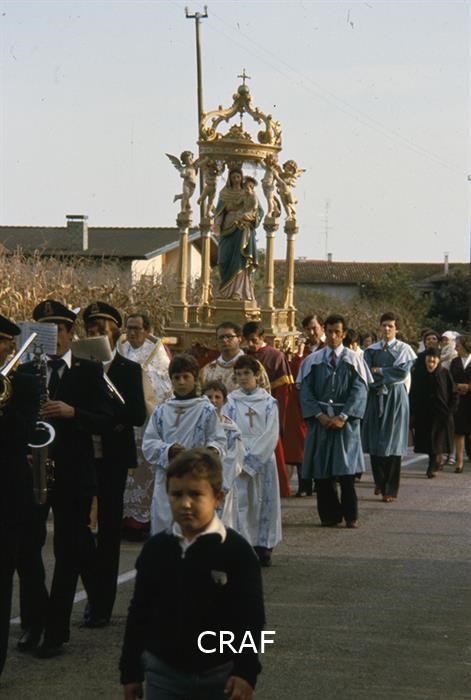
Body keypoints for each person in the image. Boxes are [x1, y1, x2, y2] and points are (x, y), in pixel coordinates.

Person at [119, 448, 265, 700]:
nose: (185, 504)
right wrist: (130, 671)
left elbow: (251, 619)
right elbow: (139, 612)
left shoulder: (236, 552)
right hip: (164, 673)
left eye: (196, 494)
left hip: (221, 674)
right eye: (177, 494)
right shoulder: (157, 549)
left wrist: (245, 672)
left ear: (217, 497)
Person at [16, 300, 112, 658]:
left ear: (72, 334)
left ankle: (55, 631)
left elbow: (109, 418)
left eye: (59, 329)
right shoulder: (26, 371)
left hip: (73, 473)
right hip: (32, 470)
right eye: (46, 329)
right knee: (27, 549)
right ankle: (33, 621)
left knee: (68, 552)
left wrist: (75, 413)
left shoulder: (88, 370)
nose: (53, 336)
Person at [80, 302, 146, 627]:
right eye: (91, 330)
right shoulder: (79, 367)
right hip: (82, 455)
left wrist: (105, 417)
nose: (96, 335)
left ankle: (102, 604)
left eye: (102, 330)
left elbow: (137, 415)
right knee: (78, 530)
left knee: (108, 530)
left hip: (113, 457)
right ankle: (92, 589)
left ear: (115, 332)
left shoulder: (128, 369)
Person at [299, 314, 371, 528]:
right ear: (324, 330)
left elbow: (359, 391)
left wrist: (344, 416)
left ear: (344, 334)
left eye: (337, 332)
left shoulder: (354, 360)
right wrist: (319, 415)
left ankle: (350, 515)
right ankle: (329, 515)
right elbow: (305, 392)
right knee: (321, 471)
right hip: (320, 422)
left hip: (345, 424)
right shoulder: (313, 360)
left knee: (345, 470)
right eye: (329, 331)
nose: (332, 336)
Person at [142, 353, 226, 534]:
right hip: (167, 479)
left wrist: (210, 451)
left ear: (195, 379)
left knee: (195, 525)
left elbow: (218, 440)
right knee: (165, 527)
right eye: (176, 377)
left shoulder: (206, 410)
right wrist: (168, 450)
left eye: (186, 377)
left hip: (197, 477)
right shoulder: (161, 411)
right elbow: (149, 443)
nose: (181, 382)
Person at [0, 315, 40, 675]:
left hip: (7, 494)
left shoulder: (22, 382)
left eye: (2, 343)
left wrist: (6, 404)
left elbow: (24, 432)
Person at [118, 313, 172, 540]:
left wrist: (143, 377)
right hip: (123, 422)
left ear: (147, 330)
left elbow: (165, 385)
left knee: (143, 471)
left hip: (146, 423)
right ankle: (122, 518)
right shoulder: (120, 349)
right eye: (129, 328)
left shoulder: (157, 354)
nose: (131, 333)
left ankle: (140, 522)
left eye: (136, 328)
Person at [224, 355, 282, 567]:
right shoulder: (231, 401)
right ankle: (244, 546)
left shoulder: (268, 402)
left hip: (262, 458)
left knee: (264, 502)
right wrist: (239, 456)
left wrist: (254, 459)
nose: (242, 378)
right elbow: (228, 428)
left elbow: (271, 433)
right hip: (238, 457)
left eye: (247, 373)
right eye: (238, 374)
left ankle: (264, 546)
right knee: (242, 504)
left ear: (257, 375)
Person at [362, 312, 416, 503]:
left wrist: (381, 371)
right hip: (376, 395)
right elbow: (367, 373)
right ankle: (379, 481)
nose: (386, 329)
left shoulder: (404, 349)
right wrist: (379, 377)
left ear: (396, 329)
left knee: (393, 441)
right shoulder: (371, 350)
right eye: (384, 325)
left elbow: (401, 373)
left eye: (390, 326)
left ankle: (391, 489)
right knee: (376, 439)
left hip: (395, 397)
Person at [243, 321, 293, 498]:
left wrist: (277, 415)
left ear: (262, 337)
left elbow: (283, 392)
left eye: (254, 340)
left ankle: (278, 488)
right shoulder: (244, 356)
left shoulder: (276, 356)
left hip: (267, 411)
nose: (251, 344)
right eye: (247, 340)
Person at [285, 314, 325, 497]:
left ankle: (322, 482)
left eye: (314, 328)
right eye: (308, 329)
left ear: (321, 327)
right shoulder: (303, 350)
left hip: (323, 400)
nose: (311, 332)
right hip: (302, 401)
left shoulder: (327, 347)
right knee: (302, 443)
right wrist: (299, 355)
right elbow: (295, 375)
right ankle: (304, 484)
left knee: (321, 443)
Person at [409, 348, 458, 478]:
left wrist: (450, 410)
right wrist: (412, 412)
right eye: (429, 358)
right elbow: (413, 393)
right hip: (424, 414)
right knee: (429, 442)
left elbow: (453, 393)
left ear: (438, 360)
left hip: (441, 414)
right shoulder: (419, 373)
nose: (431, 361)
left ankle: (433, 465)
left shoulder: (444, 373)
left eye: (434, 358)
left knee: (437, 441)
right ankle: (435, 460)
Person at [214, 169, 262, 301]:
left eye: (238, 177)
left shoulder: (248, 192)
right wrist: (217, 224)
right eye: (233, 177)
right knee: (223, 260)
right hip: (226, 229)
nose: (236, 179)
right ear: (229, 178)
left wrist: (249, 217)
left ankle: (239, 292)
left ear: (242, 178)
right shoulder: (224, 193)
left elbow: (258, 210)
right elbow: (219, 212)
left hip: (241, 229)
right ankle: (225, 291)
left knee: (240, 259)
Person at [202, 380, 244, 530]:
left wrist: (221, 484)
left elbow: (235, 460)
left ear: (224, 401)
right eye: (209, 397)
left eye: (217, 397)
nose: (213, 401)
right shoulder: (199, 425)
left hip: (223, 483)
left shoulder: (232, 429)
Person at [200, 321, 270, 394]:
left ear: (239, 339)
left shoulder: (254, 366)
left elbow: (265, 395)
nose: (224, 340)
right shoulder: (208, 370)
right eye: (221, 337)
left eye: (229, 336)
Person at [449, 335, 471, 473]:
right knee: (459, 431)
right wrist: (457, 386)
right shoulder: (455, 361)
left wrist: (469, 387)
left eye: (458, 344)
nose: (456, 347)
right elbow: (450, 379)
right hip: (459, 400)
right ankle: (460, 461)